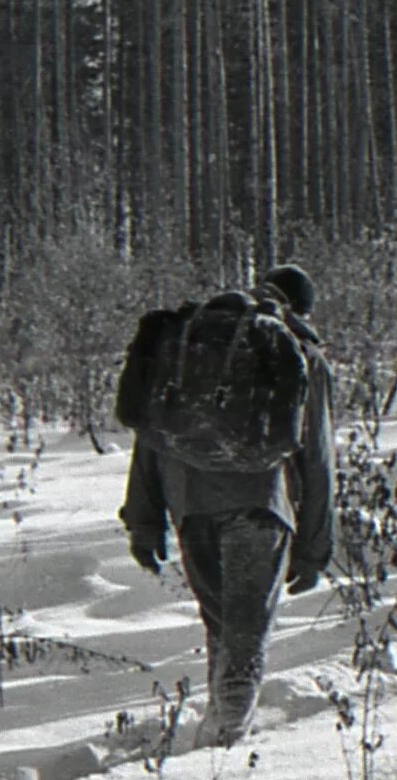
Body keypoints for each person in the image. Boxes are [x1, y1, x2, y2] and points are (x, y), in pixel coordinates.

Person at [119, 271, 335, 747]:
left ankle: (218, 724)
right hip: (261, 505)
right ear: (301, 309)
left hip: (189, 504)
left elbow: (150, 439)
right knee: (247, 634)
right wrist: (315, 547)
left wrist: (144, 519)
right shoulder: (297, 351)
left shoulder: (187, 341)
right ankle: (224, 746)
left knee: (221, 624)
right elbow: (316, 458)